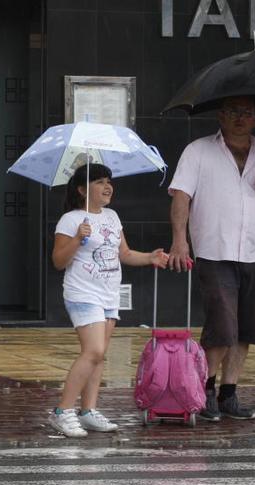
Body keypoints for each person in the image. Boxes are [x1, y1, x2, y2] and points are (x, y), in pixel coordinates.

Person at [168, 96, 255, 422]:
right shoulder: (198, 151)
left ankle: (229, 393)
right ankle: (204, 389)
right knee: (222, 325)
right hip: (214, 251)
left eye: (247, 113)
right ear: (221, 116)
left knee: (249, 328)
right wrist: (179, 240)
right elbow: (181, 195)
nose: (240, 118)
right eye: (233, 112)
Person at [49, 163, 169, 437]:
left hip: (108, 294)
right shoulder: (71, 220)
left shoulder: (112, 216)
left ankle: (88, 411)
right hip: (83, 293)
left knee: (99, 356)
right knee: (92, 352)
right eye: (100, 182)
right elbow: (58, 261)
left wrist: (150, 257)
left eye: (109, 181)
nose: (108, 187)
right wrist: (78, 238)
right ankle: (62, 411)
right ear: (82, 189)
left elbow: (124, 253)